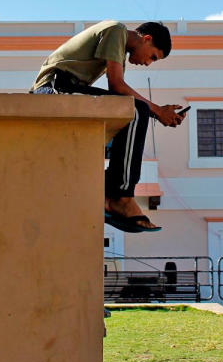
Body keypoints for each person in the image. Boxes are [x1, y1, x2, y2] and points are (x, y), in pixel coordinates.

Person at [30, 20, 186, 233]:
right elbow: (117, 85)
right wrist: (158, 111)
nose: (148, 64)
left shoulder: (119, 46)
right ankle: (120, 197)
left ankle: (111, 190)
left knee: (133, 112)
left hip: (66, 88)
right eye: (152, 57)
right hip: (53, 89)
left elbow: (118, 91)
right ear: (146, 39)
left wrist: (157, 111)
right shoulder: (117, 30)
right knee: (137, 110)